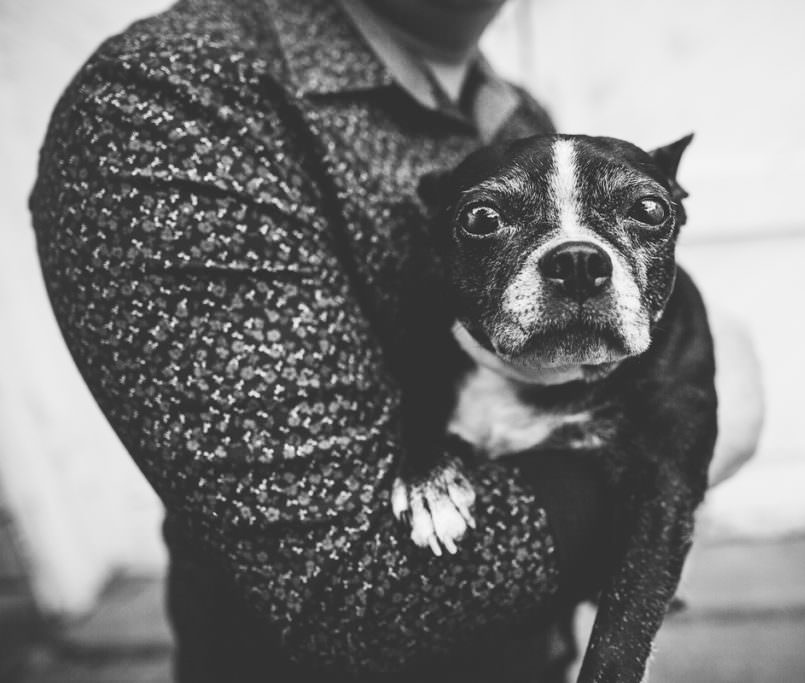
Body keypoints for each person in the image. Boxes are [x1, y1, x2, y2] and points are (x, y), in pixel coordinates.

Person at [30, 0, 761, 681]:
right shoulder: (173, 101)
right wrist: (688, 454)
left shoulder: (515, 110)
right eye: (487, 222)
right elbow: (347, 589)